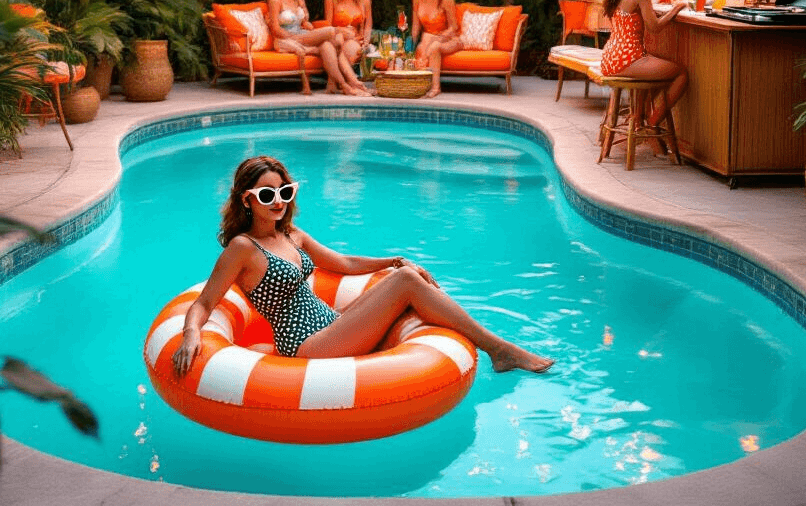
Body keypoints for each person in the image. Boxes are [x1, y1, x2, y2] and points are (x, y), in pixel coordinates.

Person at [171, 156, 554, 377]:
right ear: (247, 199)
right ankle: (498, 349)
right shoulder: (242, 247)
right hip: (305, 346)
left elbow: (345, 263)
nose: (278, 201)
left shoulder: (292, 235)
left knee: (403, 278)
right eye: (268, 194)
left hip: (331, 324)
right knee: (406, 282)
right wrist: (191, 333)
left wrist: (392, 260)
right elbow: (204, 303)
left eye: (284, 192)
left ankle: (495, 348)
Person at [600, 0, 688, 129]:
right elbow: (654, 28)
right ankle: (653, 122)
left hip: (610, 57)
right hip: (628, 60)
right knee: (681, 74)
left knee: (651, 65)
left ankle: (639, 119)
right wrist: (676, 8)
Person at [266, 0, 370, 96]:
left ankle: (345, 85)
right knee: (332, 31)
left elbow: (305, 23)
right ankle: (353, 81)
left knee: (328, 46)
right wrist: (294, 38)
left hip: (303, 35)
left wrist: (306, 25)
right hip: (286, 39)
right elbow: (275, 29)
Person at [411, 0, 462, 98]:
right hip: (428, 36)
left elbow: (454, 27)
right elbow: (416, 26)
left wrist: (437, 38)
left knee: (433, 46)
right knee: (420, 49)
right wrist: (409, 45)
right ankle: (415, 86)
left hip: (450, 38)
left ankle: (435, 88)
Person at [324, 0, 374, 87]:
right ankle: (346, 81)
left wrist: (366, 40)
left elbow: (368, 25)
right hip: (337, 35)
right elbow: (328, 25)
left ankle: (339, 81)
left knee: (356, 49)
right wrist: (342, 32)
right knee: (344, 45)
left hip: (357, 38)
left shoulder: (365, 0)